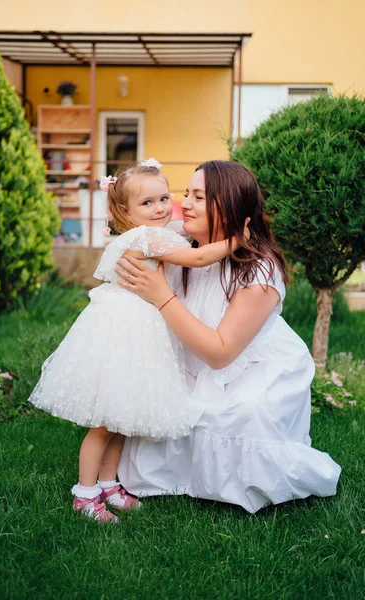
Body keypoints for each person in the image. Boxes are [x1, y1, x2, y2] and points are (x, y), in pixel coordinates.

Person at [116, 160, 341, 514]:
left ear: (229, 207)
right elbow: (133, 228)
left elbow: (221, 353)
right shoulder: (181, 243)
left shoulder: (258, 269)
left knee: (244, 415)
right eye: (186, 193)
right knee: (154, 408)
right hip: (188, 358)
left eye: (199, 197)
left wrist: (161, 295)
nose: (184, 203)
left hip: (244, 364)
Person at [28, 159, 243, 522]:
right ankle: (84, 493)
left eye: (164, 198)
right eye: (147, 203)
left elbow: (177, 226)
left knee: (120, 418)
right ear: (125, 212)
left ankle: (109, 484)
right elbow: (200, 256)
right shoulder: (146, 237)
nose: (160, 208)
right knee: (104, 422)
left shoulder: (150, 230)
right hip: (127, 332)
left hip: (134, 329)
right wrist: (238, 238)